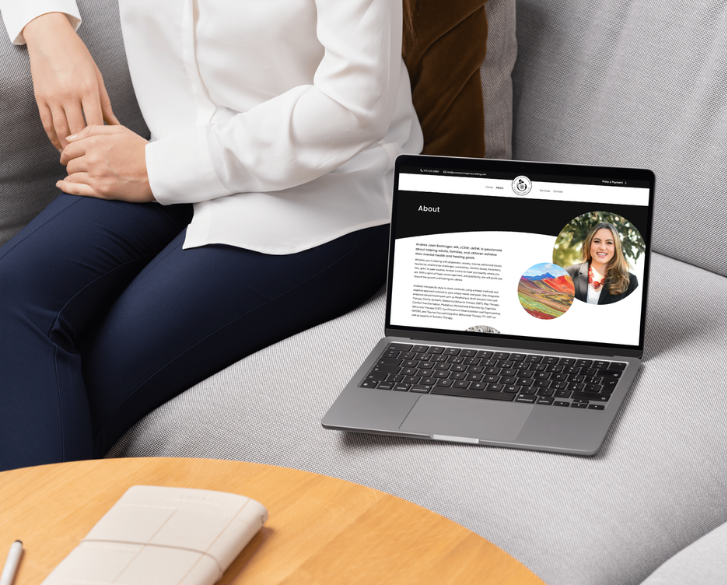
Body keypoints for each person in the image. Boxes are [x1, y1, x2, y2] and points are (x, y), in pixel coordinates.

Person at [0, 0, 422, 472]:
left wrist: (155, 168)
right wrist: (47, 30)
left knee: (80, 385)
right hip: (167, 153)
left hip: (326, 193)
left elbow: (354, 104)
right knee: (13, 289)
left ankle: (39, 541)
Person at [565, 222, 638, 305]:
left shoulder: (630, 282)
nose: (602, 247)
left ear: (616, 248)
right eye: (597, 241)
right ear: (589, 244)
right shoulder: (568, 273)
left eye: (609, 243)